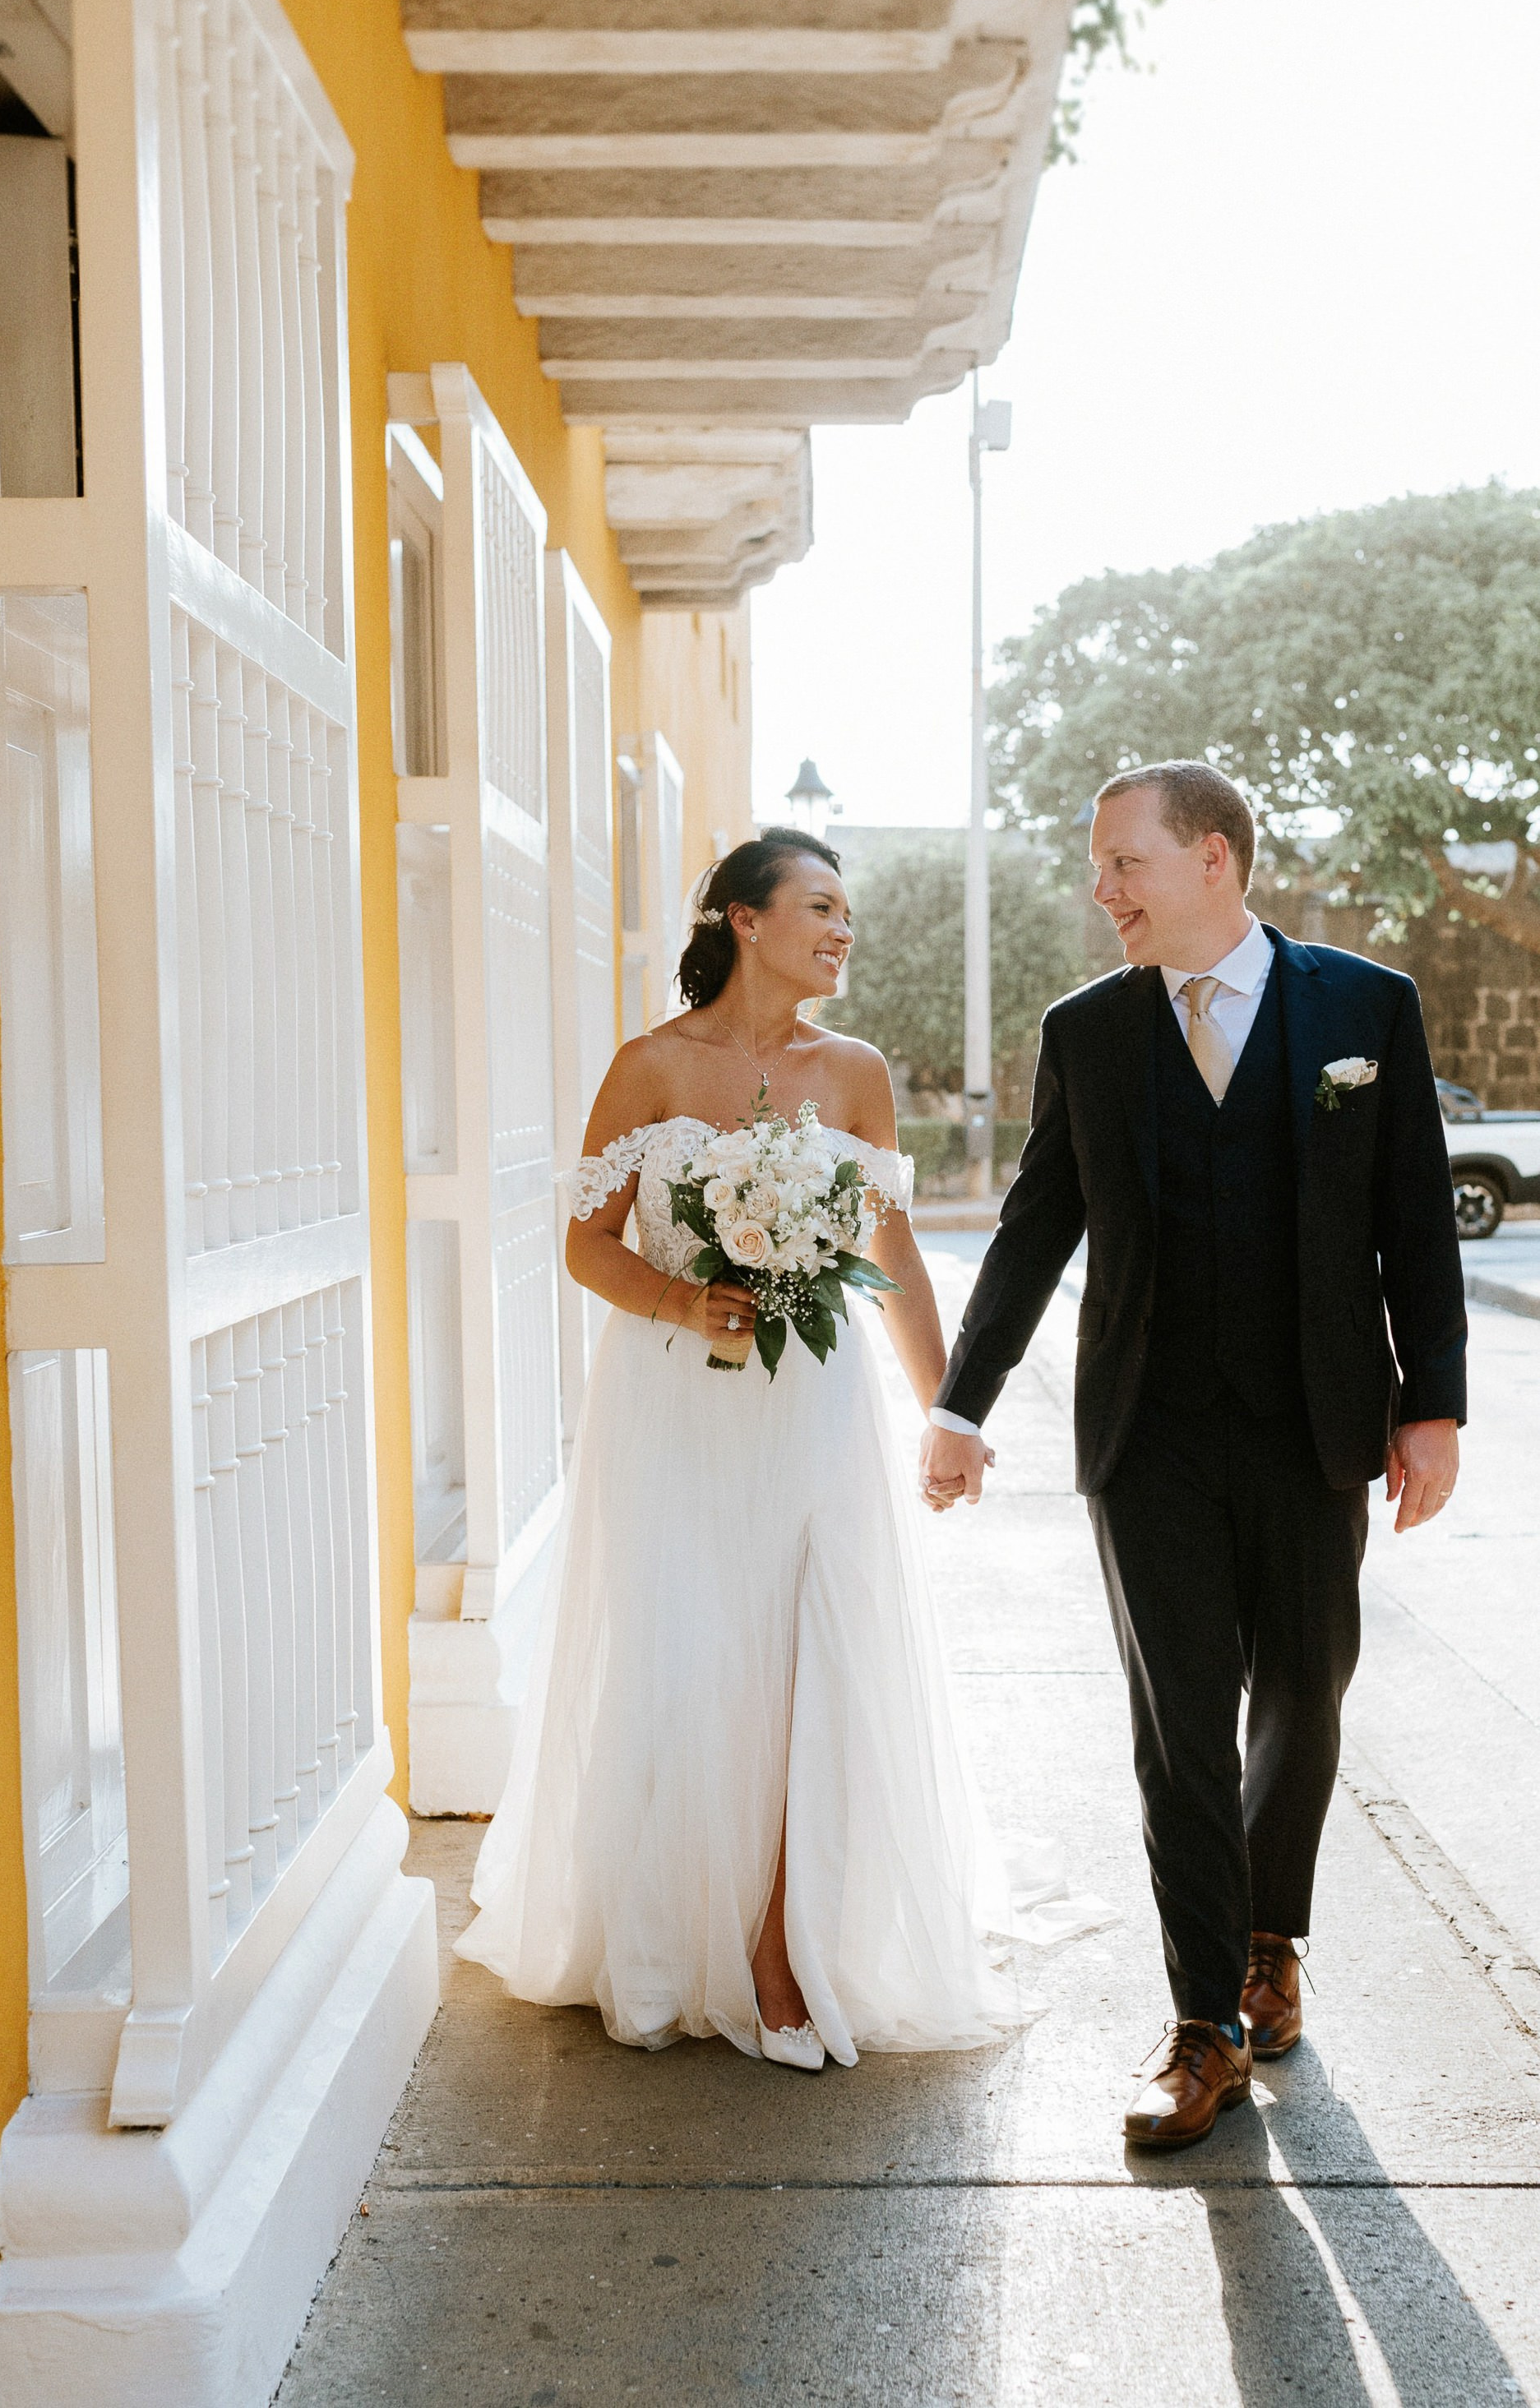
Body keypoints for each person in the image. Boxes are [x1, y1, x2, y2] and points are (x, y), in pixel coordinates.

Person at [456, 827, 1107, 2071]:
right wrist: (678, 1299)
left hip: (812, 1403)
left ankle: (778, 1949)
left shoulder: (855, 1073)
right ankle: (664, 1926)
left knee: (815, 1657)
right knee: (691, 1653)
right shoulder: (650, 1069)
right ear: (744, 922)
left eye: (847, 912)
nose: (843, 931)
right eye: (821, 907)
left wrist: (949, 1412)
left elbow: (896, 1253)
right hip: (675, 1404)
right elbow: (587, 1240)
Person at [922, 762, 1467, 2147]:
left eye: (1124, 864)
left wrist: (1433, 1409)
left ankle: (1270, 1942)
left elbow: (1415, 1219)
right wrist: (962, 1402)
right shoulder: (1089, 1032)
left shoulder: (1365, 1009)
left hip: (1314, 1424)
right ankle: (1203, 2030)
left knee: (1304, 1691)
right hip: (1146, 1432)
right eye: (1101, 867)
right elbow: (1039, 1222)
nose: (1102, 891)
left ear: (1213, 859)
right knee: (1179, 1725)